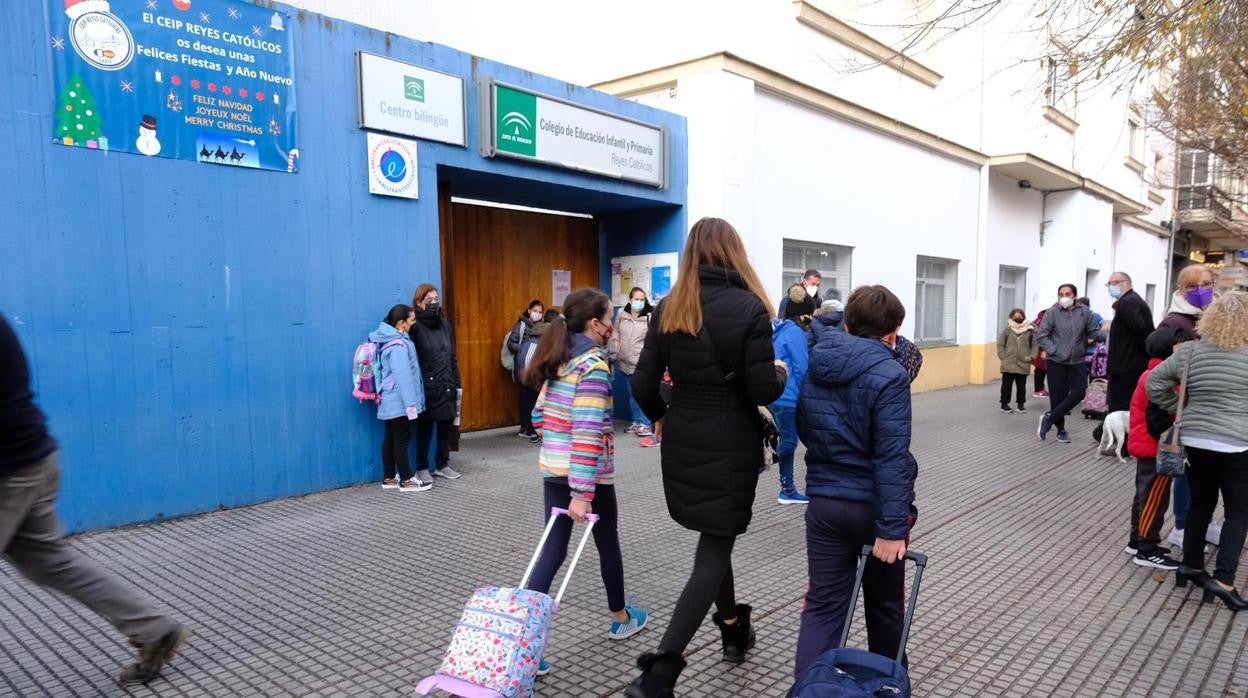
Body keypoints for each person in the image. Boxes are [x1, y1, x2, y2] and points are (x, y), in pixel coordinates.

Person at [626, 217, 788, 697]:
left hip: (682, 437)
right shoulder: (750, 307)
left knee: (716, 536)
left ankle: (734, 628)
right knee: (714, 547)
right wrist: (778, 371)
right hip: (731, 441)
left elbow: (641, 382)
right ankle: (661, 672)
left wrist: (660, 414)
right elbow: (761, 388)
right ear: (734, 252)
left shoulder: (671, 307)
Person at [0, 313, 190, 686]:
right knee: (47, 561)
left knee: (49, 562)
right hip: (35, 457)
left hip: (10, 472)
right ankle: (153, 629)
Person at [793, 285, 917, 681]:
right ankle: (888, 687)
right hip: (873, 510)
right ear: (895, 331)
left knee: (823, 607)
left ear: (847, 324)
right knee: (884, 608)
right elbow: (891, 457)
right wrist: (893, 529)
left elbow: (805, 428)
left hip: (825, 503)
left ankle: (810, 689)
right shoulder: (891, 374)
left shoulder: (818, 362)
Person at [523, 288, 649, 675]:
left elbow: (540, 416)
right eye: (610, 319)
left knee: (552, 551)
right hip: (588, 476)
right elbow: (590, 431)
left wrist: (557, 441)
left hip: (554, 469)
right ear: (595, 325)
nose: (613, 326)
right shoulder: (592, 366)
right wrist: (582, 491)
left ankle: (521, 644)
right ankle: (620, 616)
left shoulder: (559, 358)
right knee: (607, 543)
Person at [1147, 291, 1248, 612]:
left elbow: (1154, 384)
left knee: (1201, 504)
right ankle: (1223, 580)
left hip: (1195, 441)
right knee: (1237, 512)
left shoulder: (1191, 351)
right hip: (1237, 443)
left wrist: (1180, 411)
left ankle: (1190, 566)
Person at [1157, 264, 1220, 550]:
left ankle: (1200, 524)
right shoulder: (1174, 322)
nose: (1202, 290)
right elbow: (1160, 373)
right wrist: (1179, 405)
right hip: (1188, 411)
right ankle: (1182, 526)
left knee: (1206, 474)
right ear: (1182, 290)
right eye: (1194, 286)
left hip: (1213, 409)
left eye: (1206, 283)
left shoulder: (1216, 315)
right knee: (1185, 471)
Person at [1123, 326, 1194, 570]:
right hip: (1156, 449)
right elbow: (1156, 418)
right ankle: (1147, 549)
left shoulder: (1151, 371)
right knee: (1154, 499)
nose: (1185, 350)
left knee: (1143, 497)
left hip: (1146, 447)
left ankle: (1136, 541)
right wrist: (1170, 444)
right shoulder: (1161, 376)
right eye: (1180, 345)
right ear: (1167, 349)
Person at [371, 304, 428, 491]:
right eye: (411, 321)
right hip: (400, 401)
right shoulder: (398, 345)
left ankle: (389, 477)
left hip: (390, 398)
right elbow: (403, 377)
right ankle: (407, 479)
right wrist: (411, 406)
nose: (413, 324)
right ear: (401, 323)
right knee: (402, 440)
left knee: (391, 438)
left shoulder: (387, 340)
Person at [409, 284, 463, 485]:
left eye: (436, 299)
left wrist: (456, 380)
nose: (434, 303)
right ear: (418, 302)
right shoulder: (415, 327)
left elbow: (452, 355)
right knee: (425, 428)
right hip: (427, 384)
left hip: (447, 381)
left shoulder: (444, 324)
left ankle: (442, 464)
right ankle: (421, 467)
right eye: (429, 300)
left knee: (446, 425)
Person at [1036, 284, 1099, 444]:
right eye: (1061, 294)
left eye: (1067, 294)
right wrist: (1054, 350)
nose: (1064, 297)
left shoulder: (1084, 312)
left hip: (1077, 359)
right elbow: (1042, 335)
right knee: (1058, 395)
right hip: (1056, 360)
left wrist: (1108, 333)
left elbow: (1093, 332)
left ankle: (1049, 417)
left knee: (1079, 392)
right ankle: (1060, 430)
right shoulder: (1052, 312)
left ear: (1075, 296)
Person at [772, 284, 815, 505]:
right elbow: (802, 368)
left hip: (777, 394)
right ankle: (767, 462)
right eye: (810, 314)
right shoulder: (796, 333)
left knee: (787, 438)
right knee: (789, 441)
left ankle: (787, 489)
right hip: (789, 397)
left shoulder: (779, 329)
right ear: (802, 315)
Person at [608, 287, 655, 442]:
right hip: (624, 361)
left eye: (642, 299)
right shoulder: (622, 313)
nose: (639, 302)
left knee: (641, 393)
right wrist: (615, 349)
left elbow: (654, 339)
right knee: (632, 393)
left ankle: (646, 423)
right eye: (636, 299)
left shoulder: (650, 315)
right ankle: (637, 422)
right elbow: (615, 332)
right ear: (630, 299)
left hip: (641, 362)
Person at [1106, 271, 1155, 413]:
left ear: (1126, 283)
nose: (1110, 287)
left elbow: (1140, 330)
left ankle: (1120, 435)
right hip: (1131, 363)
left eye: (1113, 283)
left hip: (1126, 365)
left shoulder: (1127, 302)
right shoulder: (1133, 300)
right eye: (1109, 284)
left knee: (1121, 408)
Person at [514, 311, 554, 444]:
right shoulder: (538, 347)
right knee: (536, 405)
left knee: (527, 404)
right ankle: (534, 432)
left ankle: (528, 429)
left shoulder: (525, 345)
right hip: (532, 380)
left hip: (523, 380)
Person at [508, 300, 546, 439]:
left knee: (532, 399)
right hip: (522, 365)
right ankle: (525, 427)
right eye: (535, 311)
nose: (538, 314)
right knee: (525, 399)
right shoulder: (521, 325)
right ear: (529, 310)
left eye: (540, 312)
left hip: (534, 367)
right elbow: (510, 343)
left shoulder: (542, 326)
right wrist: (526, 348)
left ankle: (531, 426)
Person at [997, 307, 1037, 414]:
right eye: (1015, 315)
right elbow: (1000, 344)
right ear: (1011, 317)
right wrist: (1003, 357)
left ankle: (1021, 405)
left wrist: (1032, 356)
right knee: (1006, 386)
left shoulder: (1030, 330)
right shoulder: (1007, 329)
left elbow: (1035, 345)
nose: (1018, 317)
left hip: (1023, 362)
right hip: (1008, 362)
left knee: (1021, 386)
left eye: (1020, 315)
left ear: (1023, 317)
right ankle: (1004, 405)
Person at [1031, 309, 1049, 397]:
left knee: (1040, 369)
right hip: (1041, 349)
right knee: (1041, 370)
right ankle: (1039, 390)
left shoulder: (1037, 320)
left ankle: (1039, 389)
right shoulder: (1043, 322)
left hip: (1037, 349)